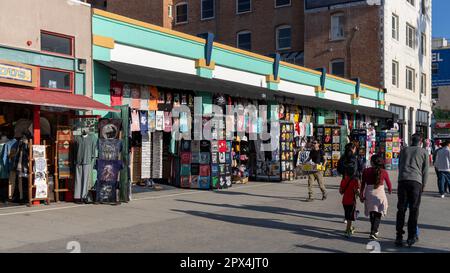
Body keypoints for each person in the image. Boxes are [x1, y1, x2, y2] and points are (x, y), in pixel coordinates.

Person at [395, 133, 429, 247]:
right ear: (421, 141)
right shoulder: (424, 152)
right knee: (414, 210)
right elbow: (425, 171)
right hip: (416, 182)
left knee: (401, 209)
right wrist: (423, 184)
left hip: (403, 180)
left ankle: (399, 236)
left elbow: (400, 165)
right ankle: (411, 237)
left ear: (411, 140)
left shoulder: (404, 150)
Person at [360, 154, 393, 240]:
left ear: (371, 162)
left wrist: (361, 194)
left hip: (369, 194)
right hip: (380, 194)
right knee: (378, 213)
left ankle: (373, 230)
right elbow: (389, 183)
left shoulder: (366, 171)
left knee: (372, 212)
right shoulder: (384, 172)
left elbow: (363, 184)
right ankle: (374, 231)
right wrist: (389, 190)